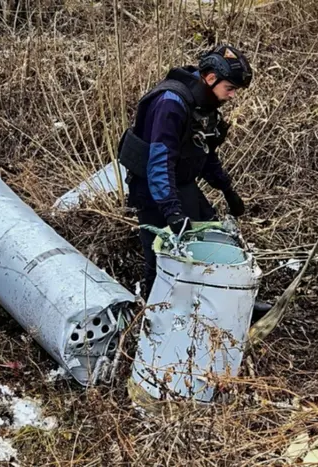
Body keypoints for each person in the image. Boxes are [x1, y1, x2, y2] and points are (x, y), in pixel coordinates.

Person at [117, 44, 270, 317]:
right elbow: (159, 162)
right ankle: (155, 316)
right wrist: (172, 211)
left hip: (181, 182)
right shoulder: (171, 104)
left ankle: (226, 307)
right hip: (152, 188)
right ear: (211, 78)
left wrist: (227, 189)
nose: (233, 96)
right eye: (230, 89)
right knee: (161, 255)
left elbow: (203, 153)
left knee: (214, 241)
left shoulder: (205, 105)